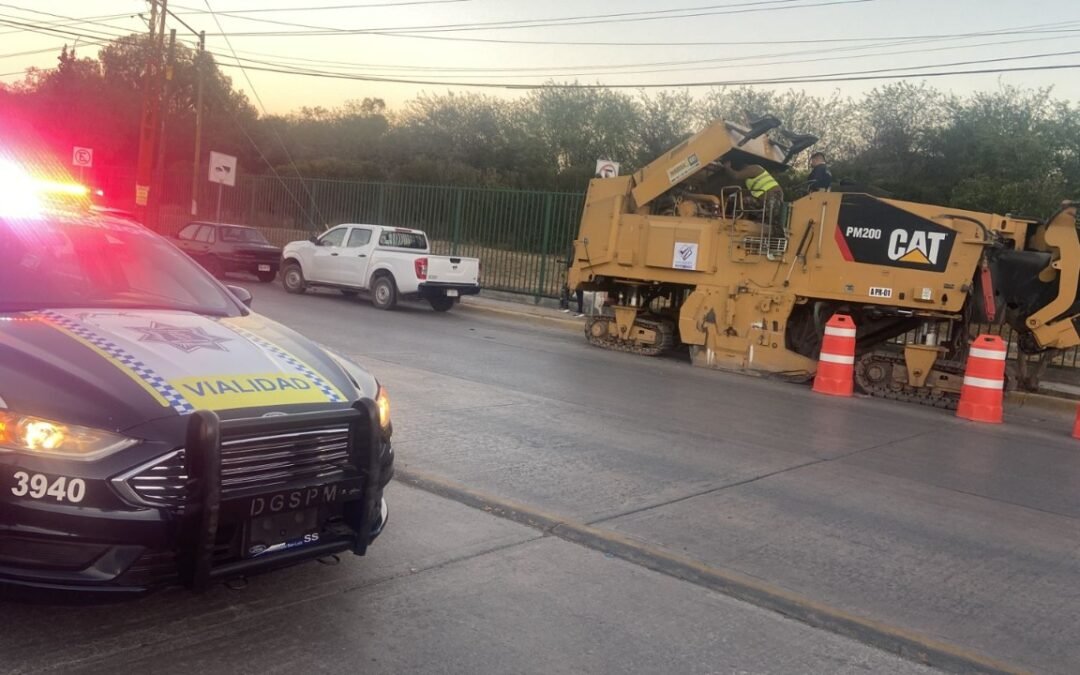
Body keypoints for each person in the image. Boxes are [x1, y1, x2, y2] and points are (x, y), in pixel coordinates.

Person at [719, 158, 784, 235]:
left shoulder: (754, 168)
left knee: (771, 219)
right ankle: (743, 220)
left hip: (773, 195)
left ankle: (778, 234)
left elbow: (736, 176)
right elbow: (746, 190)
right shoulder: (747, 179)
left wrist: (727, 167)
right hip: (762, 199)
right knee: (745, 201)